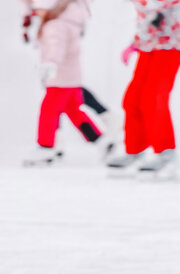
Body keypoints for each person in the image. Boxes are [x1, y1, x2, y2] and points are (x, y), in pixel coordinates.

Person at [23, 0, 113, 166]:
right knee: (74, 112)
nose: (37, 13)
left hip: (60, 78)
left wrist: (50, 63)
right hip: (70, 77)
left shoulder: (55, 25)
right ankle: (101, 141)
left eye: (39, 9)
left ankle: (45, 147)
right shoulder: (68, 20)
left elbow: (56, 46)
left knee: (48, 110)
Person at [107, 0, 180, 178]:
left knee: (154, 99)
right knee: (132, 99)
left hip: (170, 45)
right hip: (148, 45)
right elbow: (146, 18)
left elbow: (156, 7)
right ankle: (135, 149)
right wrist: (135, 43)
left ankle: (166, 152)